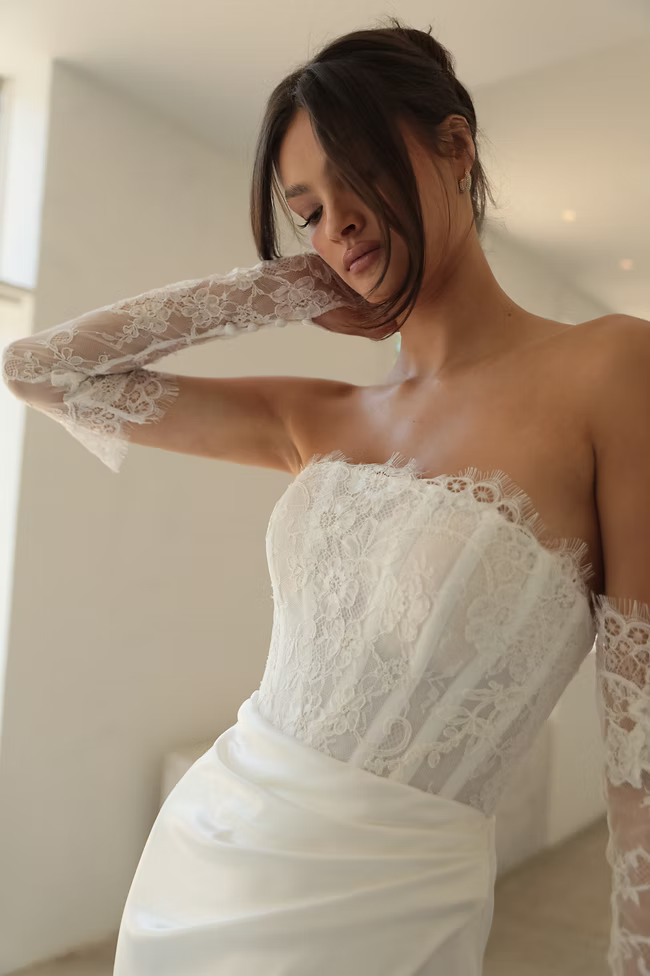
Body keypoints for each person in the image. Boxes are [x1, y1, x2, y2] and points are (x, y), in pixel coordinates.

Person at [3, 17, 649, 976]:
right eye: (306, 209)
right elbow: (39, 370)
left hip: (393, 897)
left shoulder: (610, 366)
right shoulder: (319, 414)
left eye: (356, 175)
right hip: (210, 856)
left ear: (455, 147)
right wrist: (275, 293)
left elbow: (639, 718)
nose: (335, 223)